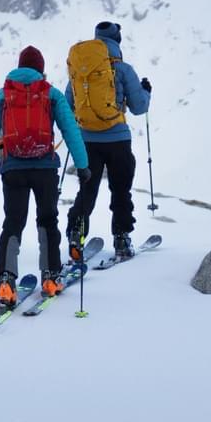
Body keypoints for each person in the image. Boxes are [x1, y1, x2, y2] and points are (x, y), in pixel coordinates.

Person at [0, 45, 89, 307]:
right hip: (45, 169)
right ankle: (50, 278)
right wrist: (83, 166)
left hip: (13, 168)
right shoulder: (51, 94)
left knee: (13, 223)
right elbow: (71, 131)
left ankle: (5, 283)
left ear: (19, 67)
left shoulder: (3, 95)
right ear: (41, 70)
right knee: (48, 220)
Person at [65, 20, 152, 262]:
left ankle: (75, 235)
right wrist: (146, 91)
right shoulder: (123, 69)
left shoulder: (81, 69)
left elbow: (69, 102)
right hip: (118, 139)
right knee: (121, 190)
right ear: (117, 40)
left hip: (87, 141)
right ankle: (122, 239)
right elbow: (139, 107)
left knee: (87, 190)